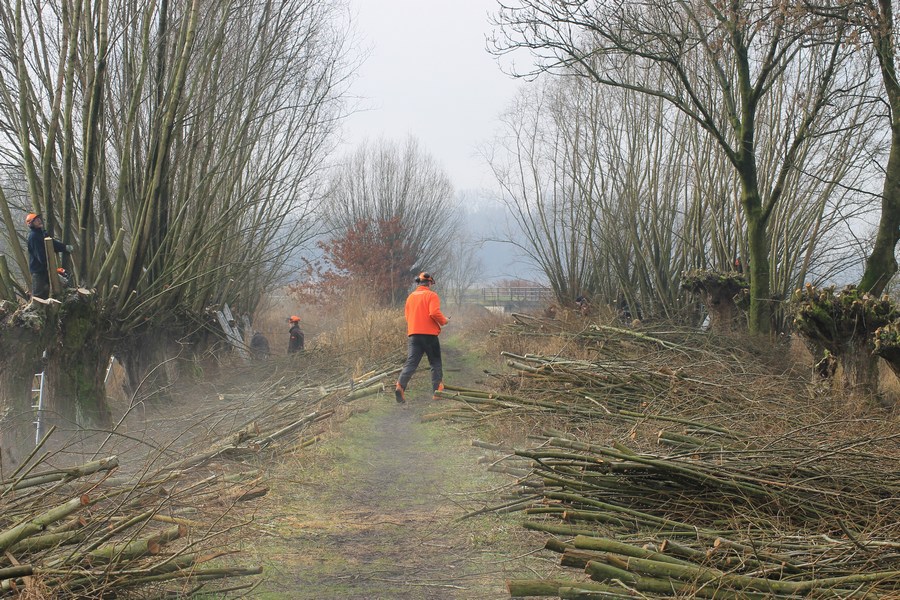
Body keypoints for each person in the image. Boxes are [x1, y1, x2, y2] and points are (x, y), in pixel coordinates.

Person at [395, 272, 449, 403]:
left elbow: (408, 316)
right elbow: (434, 312)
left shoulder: (410, 297)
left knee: (411, 363)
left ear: (418, 283)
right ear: (429, 283)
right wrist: (444, 320)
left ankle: (400, 386)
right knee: (435, 363)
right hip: (430, 336)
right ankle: (437, 392)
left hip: (414, 335)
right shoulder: (432, 295)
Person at [25, 213, 72, 299]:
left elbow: (53, 244)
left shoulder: (42, 233)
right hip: (39, 271)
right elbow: (41, 257)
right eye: (36, 220)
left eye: (38, 219)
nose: (39, 221)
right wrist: (53, 269)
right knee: (38, 296)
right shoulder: (33, 237)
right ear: (31, 224)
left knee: (53, 291)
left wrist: (65, 247)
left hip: (47, 269)